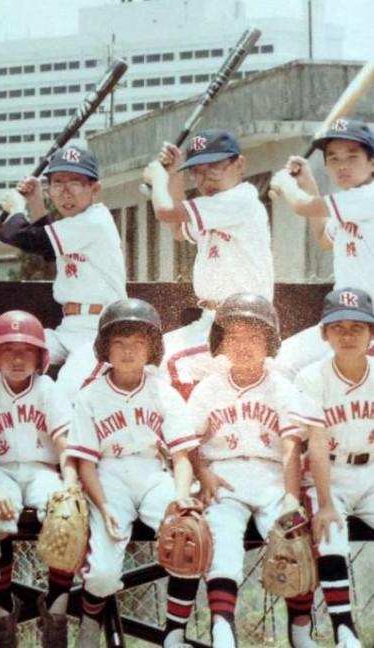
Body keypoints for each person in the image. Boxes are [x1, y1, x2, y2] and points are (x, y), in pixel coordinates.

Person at [66, 299, 200, 648]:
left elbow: (181, 457)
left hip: (154, 472)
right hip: (107, 476)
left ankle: (173, 634)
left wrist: (182, 496)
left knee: (189, 538)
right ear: (105, 348)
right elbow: (85, 464)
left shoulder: (163, 393)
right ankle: (90, 619)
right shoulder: (91, 395)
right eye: (119, 343)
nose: (128, 352)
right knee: (102, 574)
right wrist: (104, 507)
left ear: (152, 348)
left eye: (138, 343)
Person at [187, 294, 316, 648]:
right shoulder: (208, 389)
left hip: (273, 476)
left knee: (291, 538)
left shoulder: (281, 387)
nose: (243, 345)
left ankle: (300, 629)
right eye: (235, 336)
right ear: (221, 342)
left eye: (254, 337)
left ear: (270, 343)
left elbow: (291, 447)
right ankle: (222, 627)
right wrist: (203, 473)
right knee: (224, 539)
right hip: (225, 476)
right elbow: (187, 442)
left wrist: (291, 498)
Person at [0, 310, 80, 648]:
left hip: (41, 471)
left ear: (41, 357)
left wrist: (71, 482)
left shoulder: (48, 388)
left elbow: (64, 444)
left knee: (65, 516)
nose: (17, 358)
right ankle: (3, 609)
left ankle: (57, 605)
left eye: (26, 350)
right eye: (8, 350)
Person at [142, 130, 273, 398]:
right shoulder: (215, 208)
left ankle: (188, 437)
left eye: (213, 167)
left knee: (172, 362)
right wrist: (176, 175)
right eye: (197, 172)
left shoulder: (241, 200)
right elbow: (178, 229)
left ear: (239, 165)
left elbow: (165, 211)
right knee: (151, 355)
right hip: (213, 322)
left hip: (244, 326)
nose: (205, 179)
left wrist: (158, 178)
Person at [0, 146, 126, 395]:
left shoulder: (96, 221)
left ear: (94, 188)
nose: (66, 193)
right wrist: (35, 201)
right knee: (10, 353)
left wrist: (15, 210)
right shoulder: (74, 226)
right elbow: (49, 250)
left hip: (98, 331)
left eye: (75, 183)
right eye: (57, 184)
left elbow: (24, 237)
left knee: (65, 392)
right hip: (67, 329)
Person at [292, 287, 374, 648]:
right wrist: (325, 502)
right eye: (338, 326)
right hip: (330, 475)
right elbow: (318, 443)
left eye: (358, 327)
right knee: (330, 534)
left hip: (370, 470)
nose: (348, 334)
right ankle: (344, 628)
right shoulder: (312, 376)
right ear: (323, 334)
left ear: (372, 333)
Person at [269, 119, 374, 379]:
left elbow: (304, 206)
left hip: (368, 327)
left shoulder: (367, 197)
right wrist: (307, 183)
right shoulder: (347, 202)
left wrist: (284, 183)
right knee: (282, 365)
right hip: (346, 319)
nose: (342, 165)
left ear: (372, 162)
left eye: (352, 156)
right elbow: (324, 239)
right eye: (334, 158)